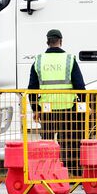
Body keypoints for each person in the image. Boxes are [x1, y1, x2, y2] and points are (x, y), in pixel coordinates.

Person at [28, 29, 86, 176]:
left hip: (47, 109)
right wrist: (85, 104)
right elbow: (79, 85)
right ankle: (70, 173)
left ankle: (47, 172)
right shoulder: (69, 59)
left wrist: (35, 109)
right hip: (68, 108)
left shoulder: (39, 60)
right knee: (69, 140)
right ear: (61, 40)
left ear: (47, 41)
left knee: (47, 141)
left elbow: (32, 87)